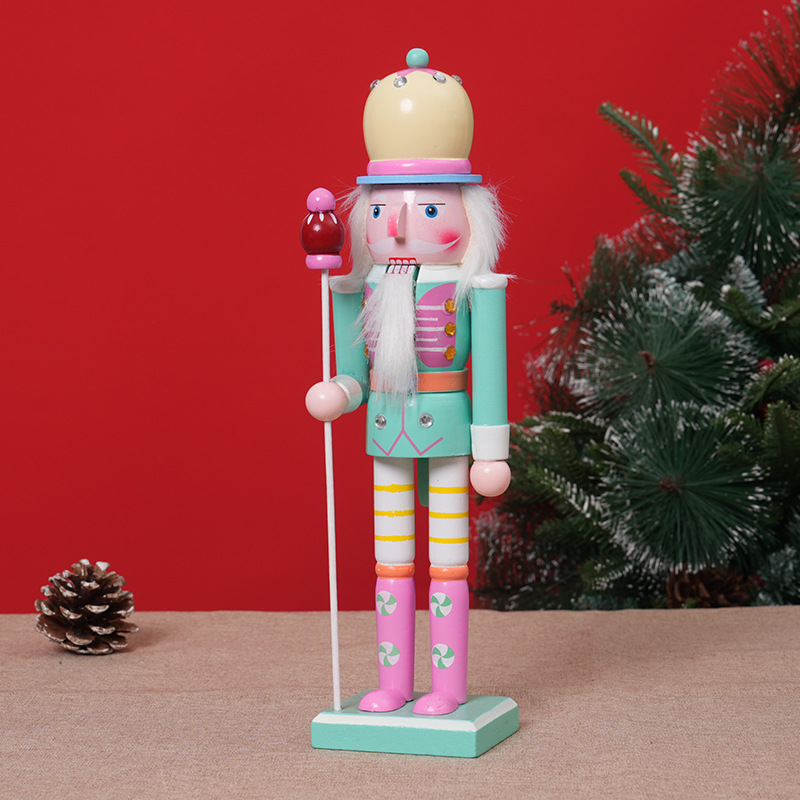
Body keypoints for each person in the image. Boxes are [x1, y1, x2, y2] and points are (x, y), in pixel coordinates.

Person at [306, 48, 510, 716]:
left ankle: (447, 687)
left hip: (448, 434)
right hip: (387, 433)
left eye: (428, 209)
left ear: (469, 215)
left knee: (447, 564)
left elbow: (490, 374)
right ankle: (393, 683)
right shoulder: (359, 288)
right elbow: (353, 372)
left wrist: (492, 450)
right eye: (382, 209)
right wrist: (339, 392)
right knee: (391, 562)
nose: (396, 223)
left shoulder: (475, 289)